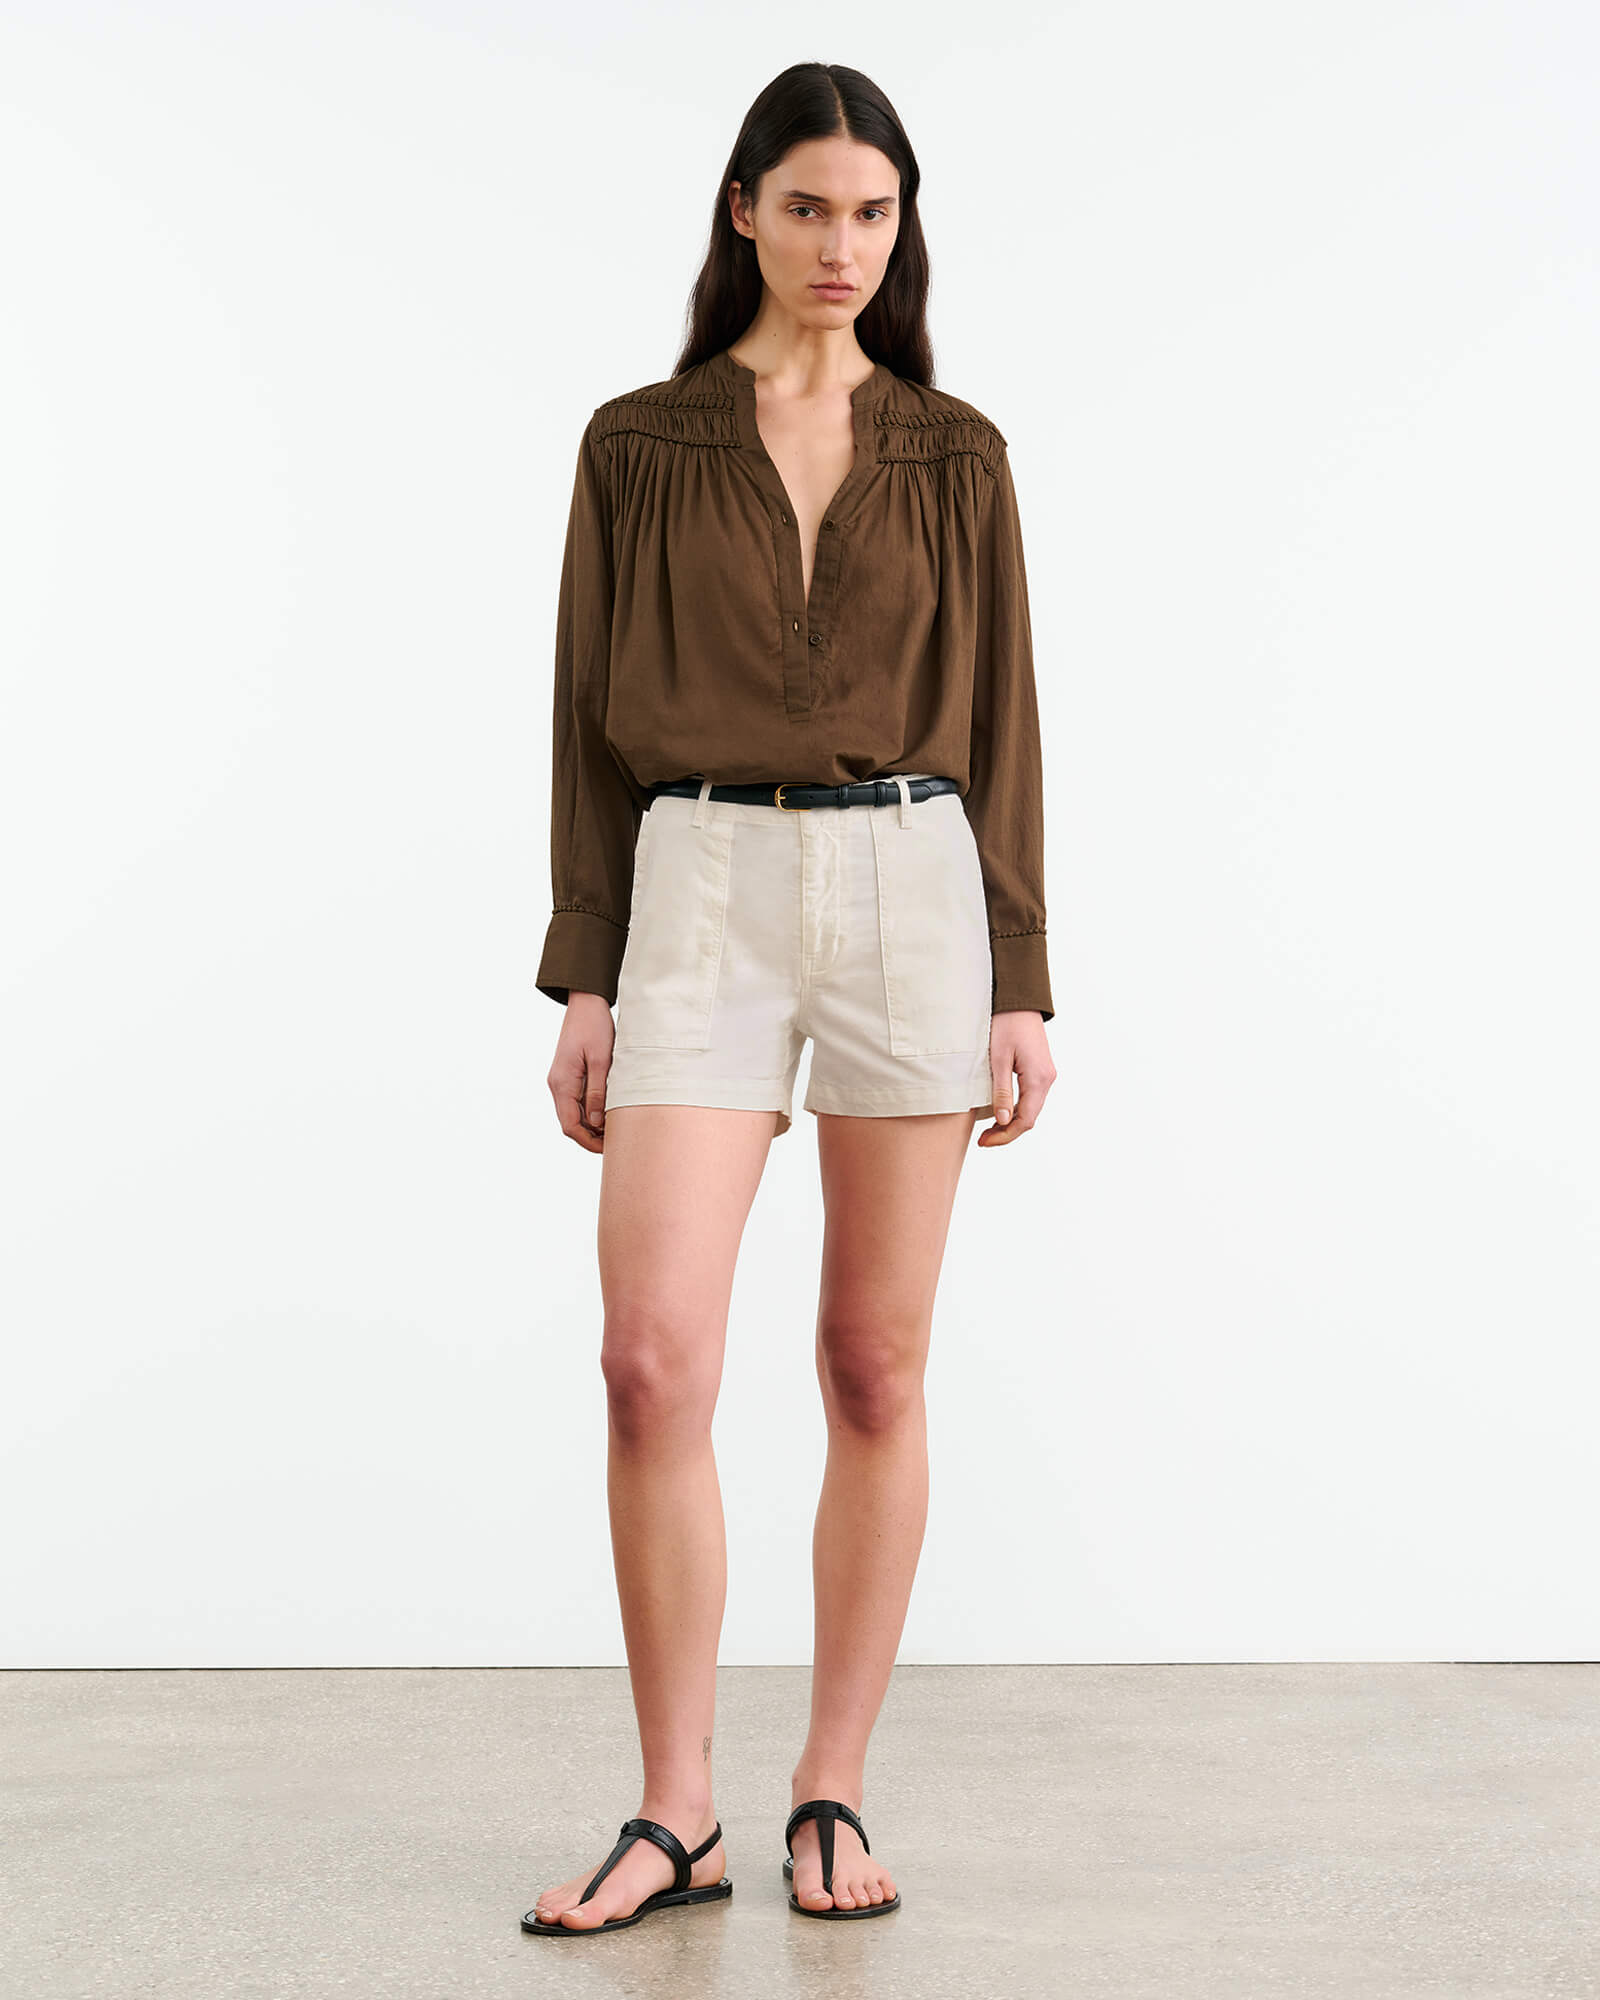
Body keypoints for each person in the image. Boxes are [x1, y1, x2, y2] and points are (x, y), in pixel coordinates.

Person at [522, 61, 1056, 1939]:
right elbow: (585, 723)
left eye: (874, 213)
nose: (843, 245)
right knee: (649, 1360)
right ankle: (678, 1814)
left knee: (872, 1366)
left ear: (904, 227)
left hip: (915, 885)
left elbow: (1004, 724)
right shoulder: (636, 445)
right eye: (810, 206)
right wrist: (585, 971)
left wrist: (1020, 976)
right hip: (697, 886)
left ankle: (830, 1786)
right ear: (742, 209)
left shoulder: (956, 453)